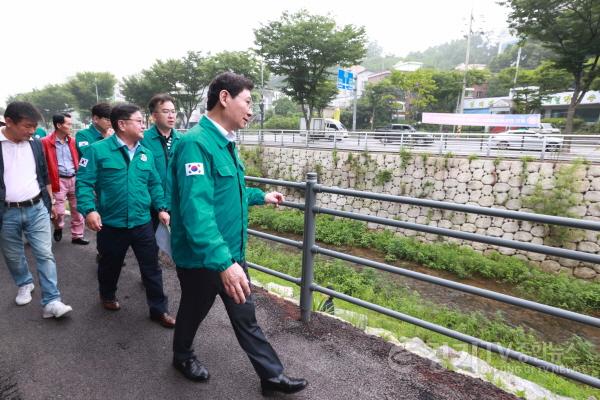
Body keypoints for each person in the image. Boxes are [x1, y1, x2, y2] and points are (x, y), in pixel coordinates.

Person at [169, 72, 307, 396]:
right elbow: (197, 212)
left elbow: (228, 191)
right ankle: (182, 355)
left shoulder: (226, 142)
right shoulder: (195, 144)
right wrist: (223, 263)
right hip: (205, 257)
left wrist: (261, 196)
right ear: (225, 98)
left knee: (245, 315)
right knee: (193, 309)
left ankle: (271, 376)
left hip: (230, 252)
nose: (251, 110)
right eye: (247, 102)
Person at [76, 103, 175, 328]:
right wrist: (89, 210)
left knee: (151, 268)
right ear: (122, 124)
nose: (144, 125)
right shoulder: (97, 150)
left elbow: (154, 184)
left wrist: (161, 208)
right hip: (111, 224)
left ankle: (159, 310)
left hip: (142, 223)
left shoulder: (145, 154)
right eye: (139, 121)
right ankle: (107, 295)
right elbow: (83, 183)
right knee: (109, 265)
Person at [0, 102, 72, 318]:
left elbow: (43, 174)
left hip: (36, 208)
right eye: (27, 126)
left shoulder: (35, 144)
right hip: (6, 213)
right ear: (9, 121)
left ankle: (52, 301)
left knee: (45, 253)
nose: (32, 131)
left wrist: (50, 203)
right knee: (13, 255)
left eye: (34, 126)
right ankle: (24, 283)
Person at [41, 113, 88, 245]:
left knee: (78, 208)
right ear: (59, 125)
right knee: (59, 211)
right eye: (68, 124)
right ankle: (58, 227)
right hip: (57, 180)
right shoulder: (45, 142)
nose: (71, 127)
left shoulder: (73, 141)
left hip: (74, 178)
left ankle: (77, 236)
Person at [140, 93, 181, 231]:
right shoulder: (142, 140)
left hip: (176, 203)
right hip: (149, 206)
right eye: (165, 111)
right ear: (154, 116)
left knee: (176, 246)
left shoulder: (183, 140)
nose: (171, 115)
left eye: (173, 111)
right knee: (151, 247)